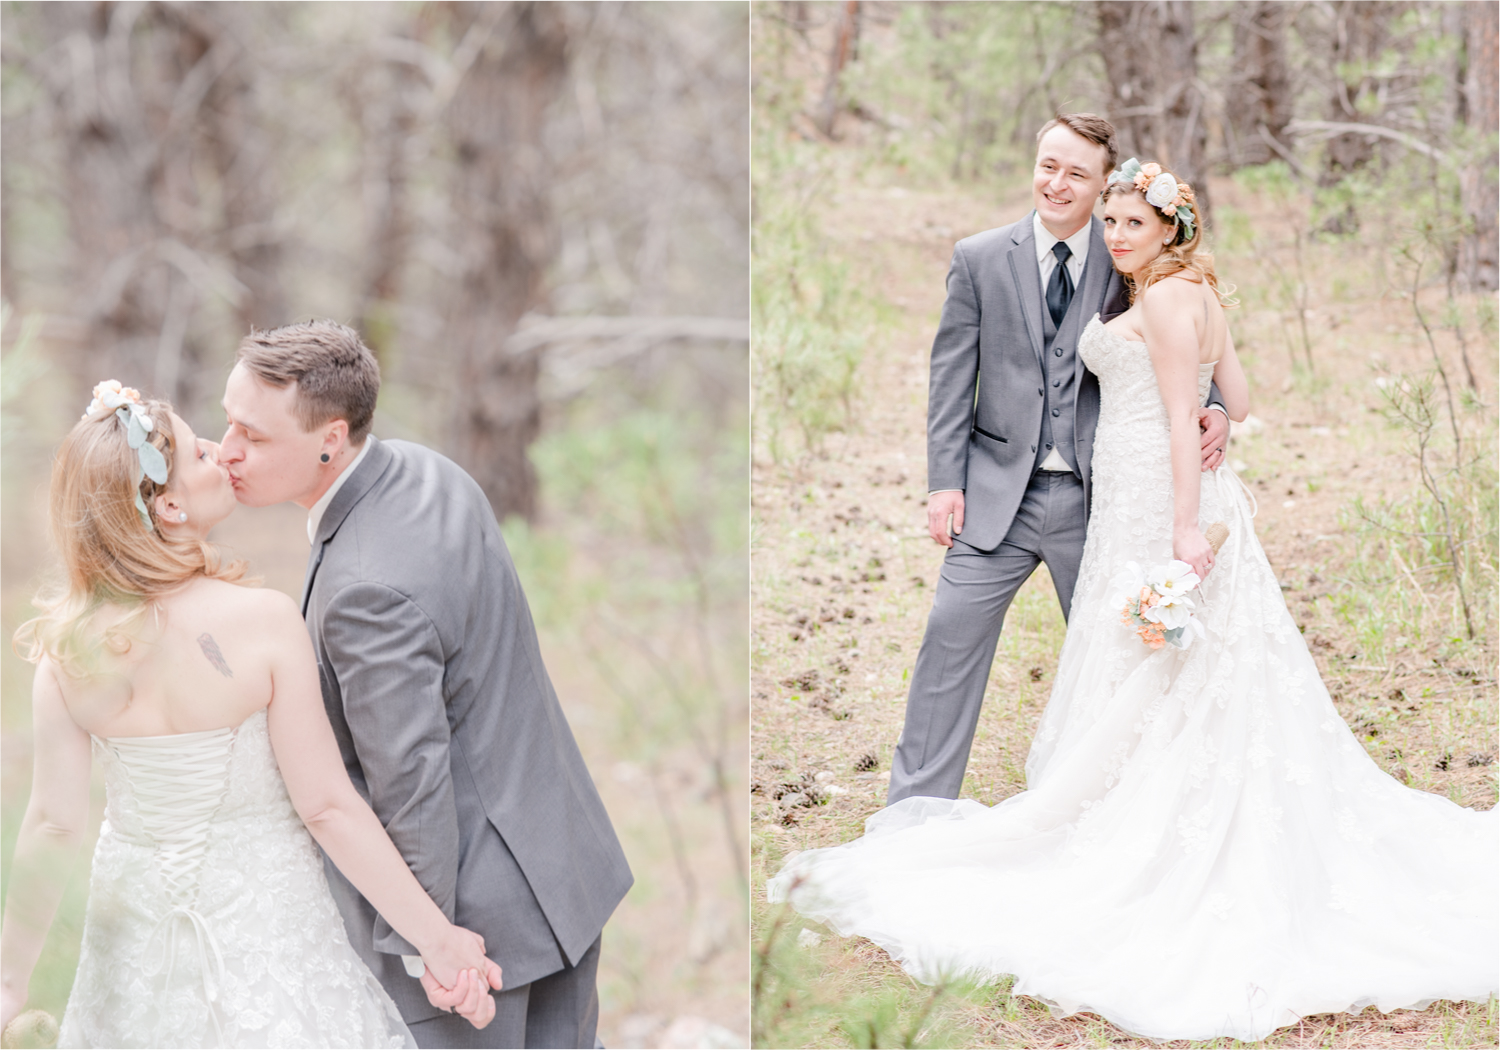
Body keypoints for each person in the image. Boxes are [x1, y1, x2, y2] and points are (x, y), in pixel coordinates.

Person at [769, 163, 1499, 1042]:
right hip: (1135, 497)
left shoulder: (1158, 303)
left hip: (1161, 504)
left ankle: (1152, 831)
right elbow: (1239, 398)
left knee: (1167, 664)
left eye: (1131, 223)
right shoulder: (1198, 291)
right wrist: (1219, 414)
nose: (1115, 236)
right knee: (1186, 671)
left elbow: (1175, 418)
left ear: (1170, 228)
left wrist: (1186, 527)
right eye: (1109, 221)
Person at [1, 383, 502, 1047]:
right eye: (201, 451)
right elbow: (327, 807)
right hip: (272, 936)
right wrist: (438, 940)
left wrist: (9, 979)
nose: (221, 452)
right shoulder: (263, 623)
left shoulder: (67, 655)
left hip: (136, 956)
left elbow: (53, 825)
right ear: (171, 505)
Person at [217, 321, 633, 1050]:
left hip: (478, 939)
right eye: (227, 422)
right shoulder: (425, 471)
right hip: (562, 872)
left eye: (251, 434)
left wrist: (430, 947)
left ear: (330, 438)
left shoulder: (362, 591)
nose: (227, 451)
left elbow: (410, 781)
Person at [891, 113, 1231, 804]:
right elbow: (951, 378)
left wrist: (1218, 406)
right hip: (995, 497)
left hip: (1100, 500)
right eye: (1049, 165)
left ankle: (1136, 806)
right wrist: (943, 484)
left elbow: (1191, 334)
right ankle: (914, 809)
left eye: (1077, 173)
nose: (1057, 182)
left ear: (1105, 185)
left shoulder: (1130, 253)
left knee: (1131, 654)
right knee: (948, 638)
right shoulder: (980, 257)